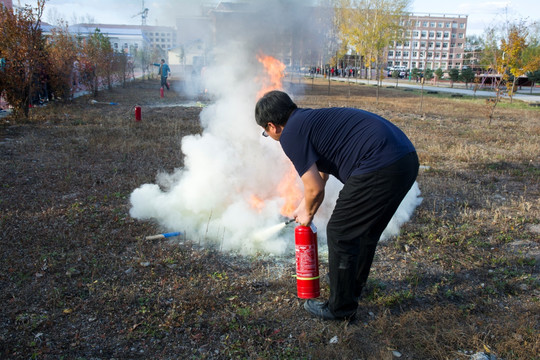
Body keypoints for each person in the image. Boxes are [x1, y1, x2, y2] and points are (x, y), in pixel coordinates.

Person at [255, 90, 419, 321]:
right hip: (406, 159)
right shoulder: (308, 119)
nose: (268, 134)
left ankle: (340, 308)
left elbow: (315, 188)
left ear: (272, 126)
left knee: (340, 232)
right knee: (365, 232)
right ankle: (351, 287)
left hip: (379, 164)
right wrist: (305, 205)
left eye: (265, 132)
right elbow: (322, 174)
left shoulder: (290, 134)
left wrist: (308, 212)